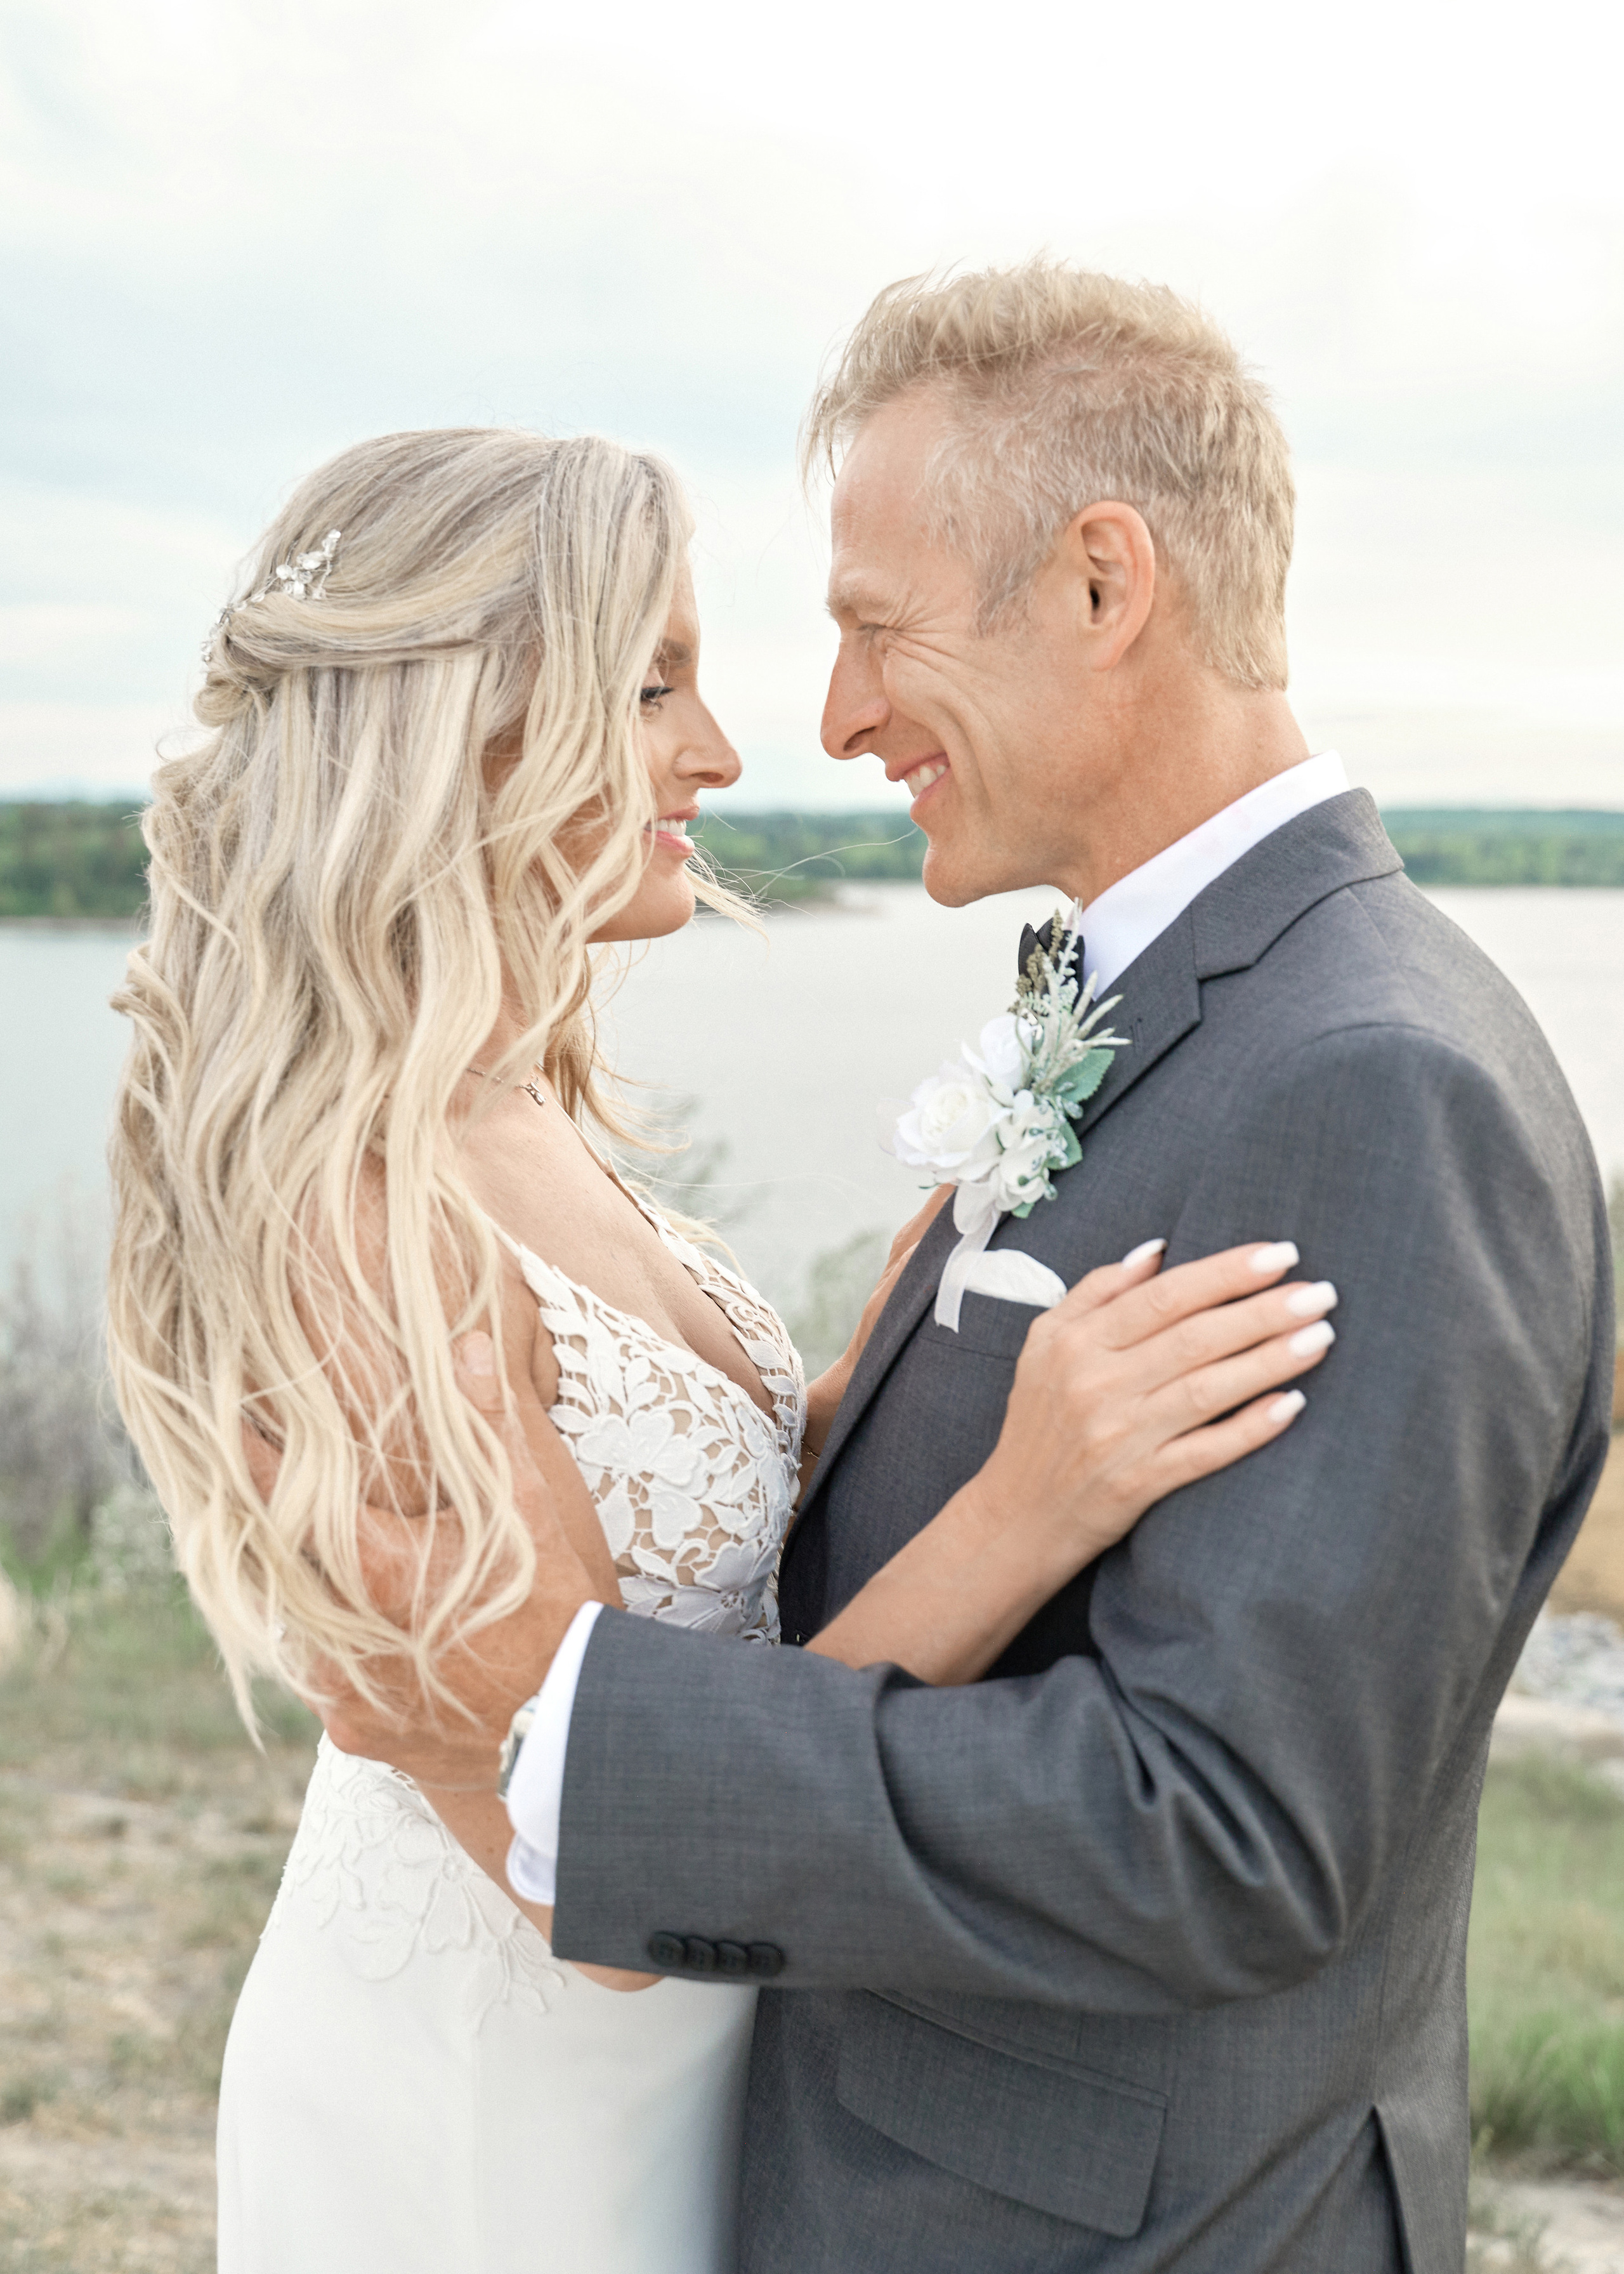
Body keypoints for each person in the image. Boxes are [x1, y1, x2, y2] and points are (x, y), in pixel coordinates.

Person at [318, 267, 1616, 2274]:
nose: (836, 718)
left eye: (876, 628)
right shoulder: (1198, 1008)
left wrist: (596, 1758)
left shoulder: (1372, 1082)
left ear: (1103, 585)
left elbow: (1225, 1830)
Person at [104, 423, 1329, 2274]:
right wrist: (1033, 1499)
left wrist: (887, 1367)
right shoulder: (363, 1206)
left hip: (693, 2058)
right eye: (653, 683)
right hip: (506, 2107)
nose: (724, 751)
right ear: (468, 733)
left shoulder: (513, 1094)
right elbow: (596, 1852)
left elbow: (684, 1555)